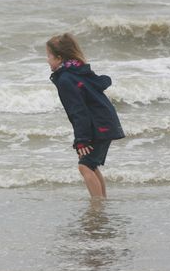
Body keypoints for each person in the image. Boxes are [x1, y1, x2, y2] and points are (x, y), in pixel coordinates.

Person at [46, 33, 125, 198]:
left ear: (59, 58)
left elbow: (78, 111)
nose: (47, 60)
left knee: (85, 166)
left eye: (49, 56)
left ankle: (97, 207)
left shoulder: (66, 79)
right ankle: (102, 202)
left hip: (99, 125)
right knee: (91, 165)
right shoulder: (78, 72)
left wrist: (81, 140)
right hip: (105, 122)